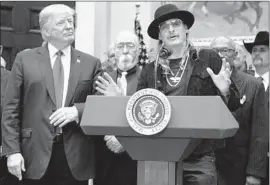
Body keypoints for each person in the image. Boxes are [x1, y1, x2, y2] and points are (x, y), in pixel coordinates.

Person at [95, 4, 240, 185]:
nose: (171, 29)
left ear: (186, 28)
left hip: (199, 156)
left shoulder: (207, 59)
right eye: (165, 26)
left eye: (176, 24)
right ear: (159, 34)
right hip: (158, 155)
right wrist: (120, 101)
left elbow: (235, 104)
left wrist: (225, 90)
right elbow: (139, 115)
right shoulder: (150, 70)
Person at [1, 4, 102, 185]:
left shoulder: (91, 63)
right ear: (45, 31)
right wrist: (12, 151)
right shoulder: (25, 60)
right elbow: (10, 109)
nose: (69, 26)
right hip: (32, 155)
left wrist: (77, 111)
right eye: (62, 22)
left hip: (75, 157)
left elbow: (101, 103)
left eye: (71, 22)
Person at [210, 36, 268, 185]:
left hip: (237, 167)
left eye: (225, 50)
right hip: (204, 167)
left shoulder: (253, 85)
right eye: (215, 51)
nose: (220, 54)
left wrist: (254, 173)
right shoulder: (200, 81)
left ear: (235, 54)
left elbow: (259, 134)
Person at [95, 30, 141, 185]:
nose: (125, 51)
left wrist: (124, 139)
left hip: (138, 158)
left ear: (139, 50)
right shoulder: (102, 79)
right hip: (106, 158)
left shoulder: (149, 79)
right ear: (114, 51)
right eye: (120, 46)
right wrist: (109, 135)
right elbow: (95, 113)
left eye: (131, 46)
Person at [244, 31, 269, 185]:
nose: (256, 54)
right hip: (247, 161)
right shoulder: (244, 83)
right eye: (254, 50)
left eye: (263, 50)